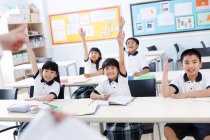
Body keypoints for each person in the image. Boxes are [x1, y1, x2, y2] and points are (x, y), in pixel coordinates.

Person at [90, 26, 143, 140]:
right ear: (103, 71)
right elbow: (92, 95)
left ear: (118, 69)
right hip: (113, 113)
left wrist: (120, 44)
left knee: (130, 131)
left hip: (129, 111)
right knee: (113, 132)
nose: (109, 71)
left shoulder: (122, 77)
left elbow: (122, 62)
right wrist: (100, 96)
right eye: (107, 69)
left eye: (112, 68)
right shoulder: (104, 83)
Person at [162, 49, 210, 140]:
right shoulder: (179, 78)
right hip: (182, 117)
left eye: (194, 62)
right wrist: (165, 72)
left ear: (200, 64)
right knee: (168, 129)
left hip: (202, 118)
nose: (190, 65)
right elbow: (166, 93)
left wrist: (185, 94)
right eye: (187, 62)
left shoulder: (206, 77)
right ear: (182, 65)